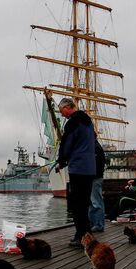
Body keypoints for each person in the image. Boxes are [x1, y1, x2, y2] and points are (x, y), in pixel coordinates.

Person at [56, 98, 97, 246]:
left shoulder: (73, 122)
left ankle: (81, 236)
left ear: (68, 107)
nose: (62, 115)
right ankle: (87, 235)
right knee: (84, 203)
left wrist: (61, 161)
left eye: (62, 111)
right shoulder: (88, 121)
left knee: (76, 205)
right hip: (90, 168)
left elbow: (67, 144)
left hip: (78, 167)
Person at [89, 140, 106, 232]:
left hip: (95, 178)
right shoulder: (96, 147)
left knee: (96, 202)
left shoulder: (95, 148)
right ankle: (94, 224)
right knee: (93, 202)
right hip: (95, 177)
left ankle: (98, 225)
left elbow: (96, 164)